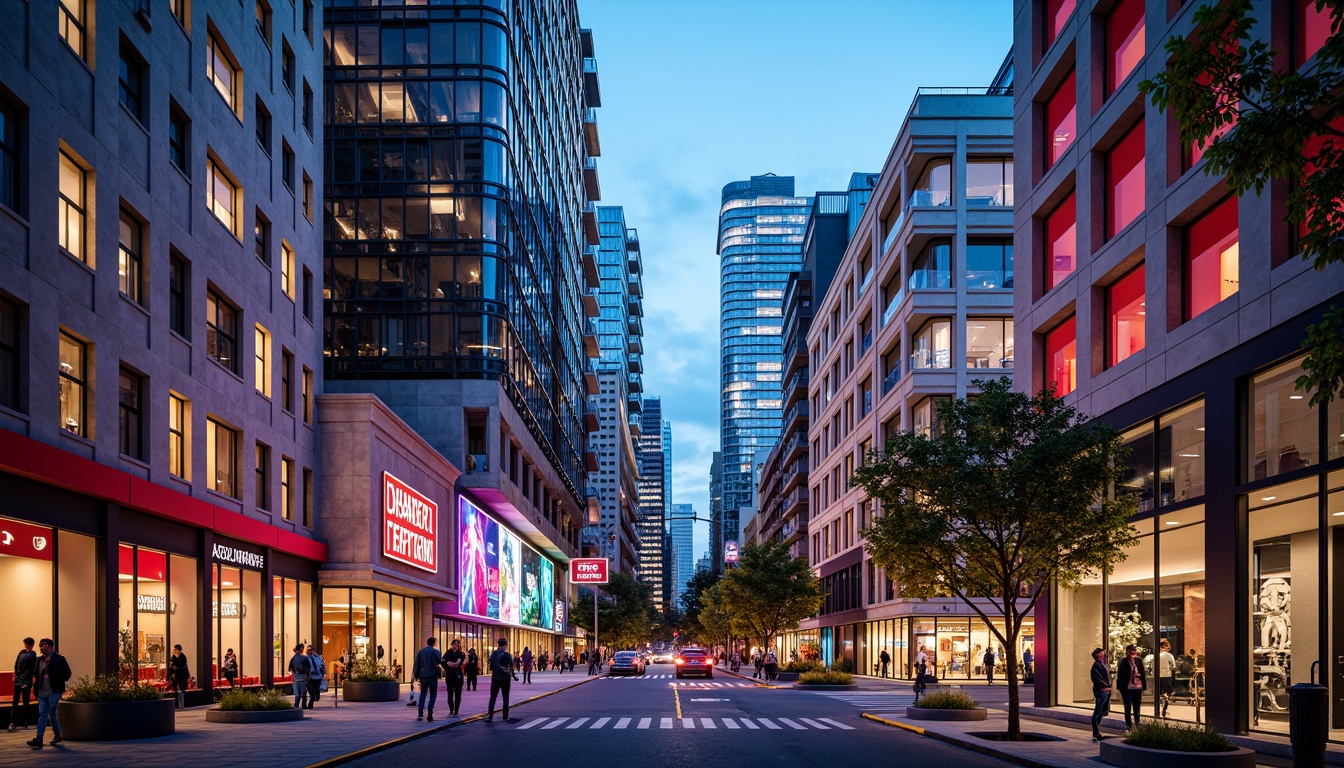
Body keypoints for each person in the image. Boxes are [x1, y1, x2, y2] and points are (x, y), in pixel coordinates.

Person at [26, 638, 70, 750]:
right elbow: (36, 674)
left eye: (44, 645)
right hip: (42, 692)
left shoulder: (59, 659)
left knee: (51, 713)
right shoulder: (39, 660)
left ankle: (56, 735)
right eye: (40, 645)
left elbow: (67, 673)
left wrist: (57, 679)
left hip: (54, 691)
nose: (41, 647)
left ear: (51, 646)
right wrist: (34, 686)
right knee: (43, 714)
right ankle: (40, 738)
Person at [1144, 639, 1177, 717]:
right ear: (1165, 646)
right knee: (1166, 694)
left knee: (1158, 693)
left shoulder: (1152, 656)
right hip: (1166, 676)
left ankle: (1158, 709)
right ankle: (1164, 708)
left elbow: (1146, 664)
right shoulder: (1169, 655)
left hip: (1156, 676)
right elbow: (1174, 666)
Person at [1116, 644, 1146, 730]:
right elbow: (1121, 674)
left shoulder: (1138, 661)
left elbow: (1142, 673)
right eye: (1130, 651)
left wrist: (1143, 685)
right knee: (1128, 706)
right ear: (1127, 652)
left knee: (1137, 707)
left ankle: (1137, 723)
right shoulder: (1123, 661)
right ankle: (1128, 725)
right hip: (1127, 687)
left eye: (1134, 650)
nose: (1133, 652)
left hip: (1137, 687)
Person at [412, 637, 443, 722]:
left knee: (423, 693)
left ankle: (420, 710)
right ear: (434, 643)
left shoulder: (420, 652)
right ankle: (430, 711)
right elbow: (440, 661)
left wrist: (416, 675)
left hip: (423, 676)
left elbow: (416, 664)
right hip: (432, 675)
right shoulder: (436, 652)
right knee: (433, 694)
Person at [486, 638, 516, 723]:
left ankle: (490, 716)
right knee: (505, 697)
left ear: (498, 645)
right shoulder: (507, 655)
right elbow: (511, 666)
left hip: (495, 678)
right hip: (505, 679)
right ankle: (505, 717)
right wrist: (512, 675)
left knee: (492, 697)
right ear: (505, 645)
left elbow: (490, 665)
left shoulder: (494, 654)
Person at [10, 637, 36, 731]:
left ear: (32, 645)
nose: (27, 646)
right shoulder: (21, 652)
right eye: (26, 644)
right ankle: (13, 722)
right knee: (15, 701)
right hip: (18, 679)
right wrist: (15, 674)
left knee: (25, 701)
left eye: (28, 644)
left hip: (26, 680)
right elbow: (16, 665)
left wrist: (31, 679)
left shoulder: (33, 654)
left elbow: (32, 668)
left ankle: (26, 722)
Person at [1089, 647, 1112, 742]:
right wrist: (1105, 685)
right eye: (1102, 652)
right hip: (1102, 690)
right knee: (1098, 712)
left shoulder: (1104, 664)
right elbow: (1097, 678)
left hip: (1106, 690)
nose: (1104, 653)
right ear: (1098, 655)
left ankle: (1097, 731)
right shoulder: (1096, 665)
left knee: (1101, 712)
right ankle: (1096, 732)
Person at [440, 639, 466, 717]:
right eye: (454, 645)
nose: (455, 646)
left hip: (458, 675)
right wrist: (449, 665)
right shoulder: (448, 653)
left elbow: (459, 662)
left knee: (458, 693)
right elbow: (444, 662)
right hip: (450, 675)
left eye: (457, 645)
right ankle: (451, 709)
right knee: (450, 693)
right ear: (452, 645)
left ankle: (456, 710)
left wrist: (452, 663)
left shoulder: (461, 653)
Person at [288, 643, 311, 709]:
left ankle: (296, 705)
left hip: (295, 677)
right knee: (303, 693)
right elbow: (308, 668)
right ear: (301, 649)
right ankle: (304, 705)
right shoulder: (305, 658)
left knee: (297, 694)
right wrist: (308, 676)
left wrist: (293, 675)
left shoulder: (293, 658)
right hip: (303, 676)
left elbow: (291, 669)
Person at [168, 644, 191, 708]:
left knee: (181, 689)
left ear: (178, 650)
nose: (173, 651)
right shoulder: (174, 656)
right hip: (176, 676)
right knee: (176, 689)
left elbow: (179, 665)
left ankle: (182, 704)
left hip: (182, 675)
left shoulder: (182, 657)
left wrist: (175, 666)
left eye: (175, 649)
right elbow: (171, 664)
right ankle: (178, 703)